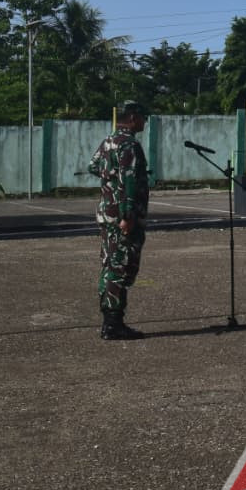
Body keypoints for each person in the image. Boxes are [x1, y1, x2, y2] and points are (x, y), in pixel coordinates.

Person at [88, 100, 151, 340]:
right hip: (123, 217)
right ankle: (113, 325)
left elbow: (93, 166)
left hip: (107, 213)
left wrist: (110, 179)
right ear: (133, 118)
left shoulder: (109, 141)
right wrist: (127, 215)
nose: (145, 121)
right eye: (143, 117)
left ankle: (111, 321)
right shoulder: (129, 144)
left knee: (110, 265)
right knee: (120, 267)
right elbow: (128, 181)